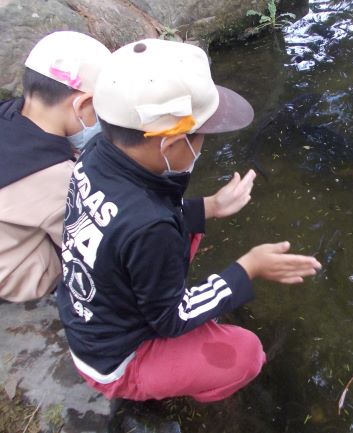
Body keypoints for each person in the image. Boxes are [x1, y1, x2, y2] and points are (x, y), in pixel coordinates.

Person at [56, 38, 322, 402]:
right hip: (117, 359)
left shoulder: (94, 154)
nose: (202, 147)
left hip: (91, 320)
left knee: (183, 231)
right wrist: (248, 268)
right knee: (246, 355)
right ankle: (176, 383)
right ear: (170, 145)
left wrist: (209, 207)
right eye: (200, 139)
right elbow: (171, 317)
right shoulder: (151, 227)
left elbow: (127, 221)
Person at [0, 31, 111, 302]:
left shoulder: (9, 112)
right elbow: (104, 240)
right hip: (10, 277)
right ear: (83, 105)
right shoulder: (55, 177)